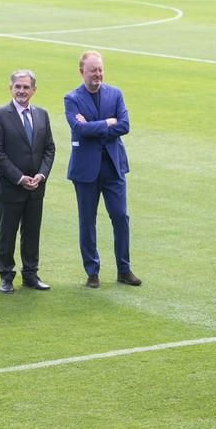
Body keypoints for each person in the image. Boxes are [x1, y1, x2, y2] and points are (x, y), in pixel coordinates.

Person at [64, 50, 141, 289]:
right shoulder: (72, 98)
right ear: (81, 72)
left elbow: (125, 125)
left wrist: (95, 126)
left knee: (120, 216)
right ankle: (92, 271)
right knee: (87, 221)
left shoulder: (115, 94)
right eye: (93, 70)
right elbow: (79, 129)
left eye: (100, 69)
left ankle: (124, 269)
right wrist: (107, 123)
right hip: (86, 170)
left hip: (113, 166)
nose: (98, 74)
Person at [0, 70, 55, 293]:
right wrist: (19, 178)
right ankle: (6, 276)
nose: (22, 91)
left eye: (26, 87)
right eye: (18, 87)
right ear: (11, 88)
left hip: (36, 187)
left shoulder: (42, 115)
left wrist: (41, 175)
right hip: (9, 187)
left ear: (34, 90)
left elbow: (49, 149)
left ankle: (30, 274)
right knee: (7, 232)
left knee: (32, 232)